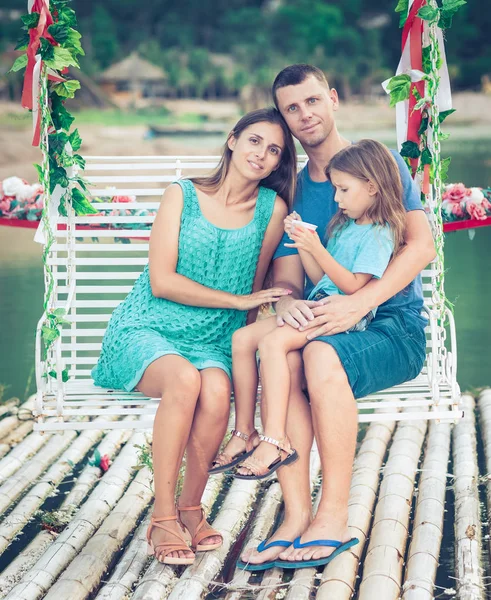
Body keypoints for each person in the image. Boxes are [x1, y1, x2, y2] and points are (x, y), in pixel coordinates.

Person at [239, 65, 435, 570]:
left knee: (317, 354)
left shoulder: (379, 164)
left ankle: (333, 514)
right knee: (282, 355)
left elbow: (421, 246)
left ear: (332, 97)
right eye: (291, 109)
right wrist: (286, 305)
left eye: (311, 101)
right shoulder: (296, 193)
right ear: (284, 117)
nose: (305, 115)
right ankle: (296, 515)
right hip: (329, 317)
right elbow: (288, 282)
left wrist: (362, 301)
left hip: (392, 327)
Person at [91, 107, 297, 565]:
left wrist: (247, 346)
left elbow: (257, 283)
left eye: (274, 150)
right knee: (185, 381)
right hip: (147, 327)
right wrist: (238, 302)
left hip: (212, 338)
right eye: (254, 141)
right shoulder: (180, 195)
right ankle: (163, 517)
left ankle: (190, 509)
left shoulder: (272, 209)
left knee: (216, 390)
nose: (261, 154)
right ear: (232, 140)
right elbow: (162, 281)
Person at [210, 140, 405, 483]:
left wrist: (317, 247)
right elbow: (321, 278)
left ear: (372, 187)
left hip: (341, 315)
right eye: (335, 190)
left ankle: (275, 440)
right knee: (242, 339)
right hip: (319, 304)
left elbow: (353, 287)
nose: (337, 199)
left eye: (344, 190)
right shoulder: (345, 224)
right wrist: (303, 244)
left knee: (272, 346)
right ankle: (245, 432)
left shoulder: (380, 233)